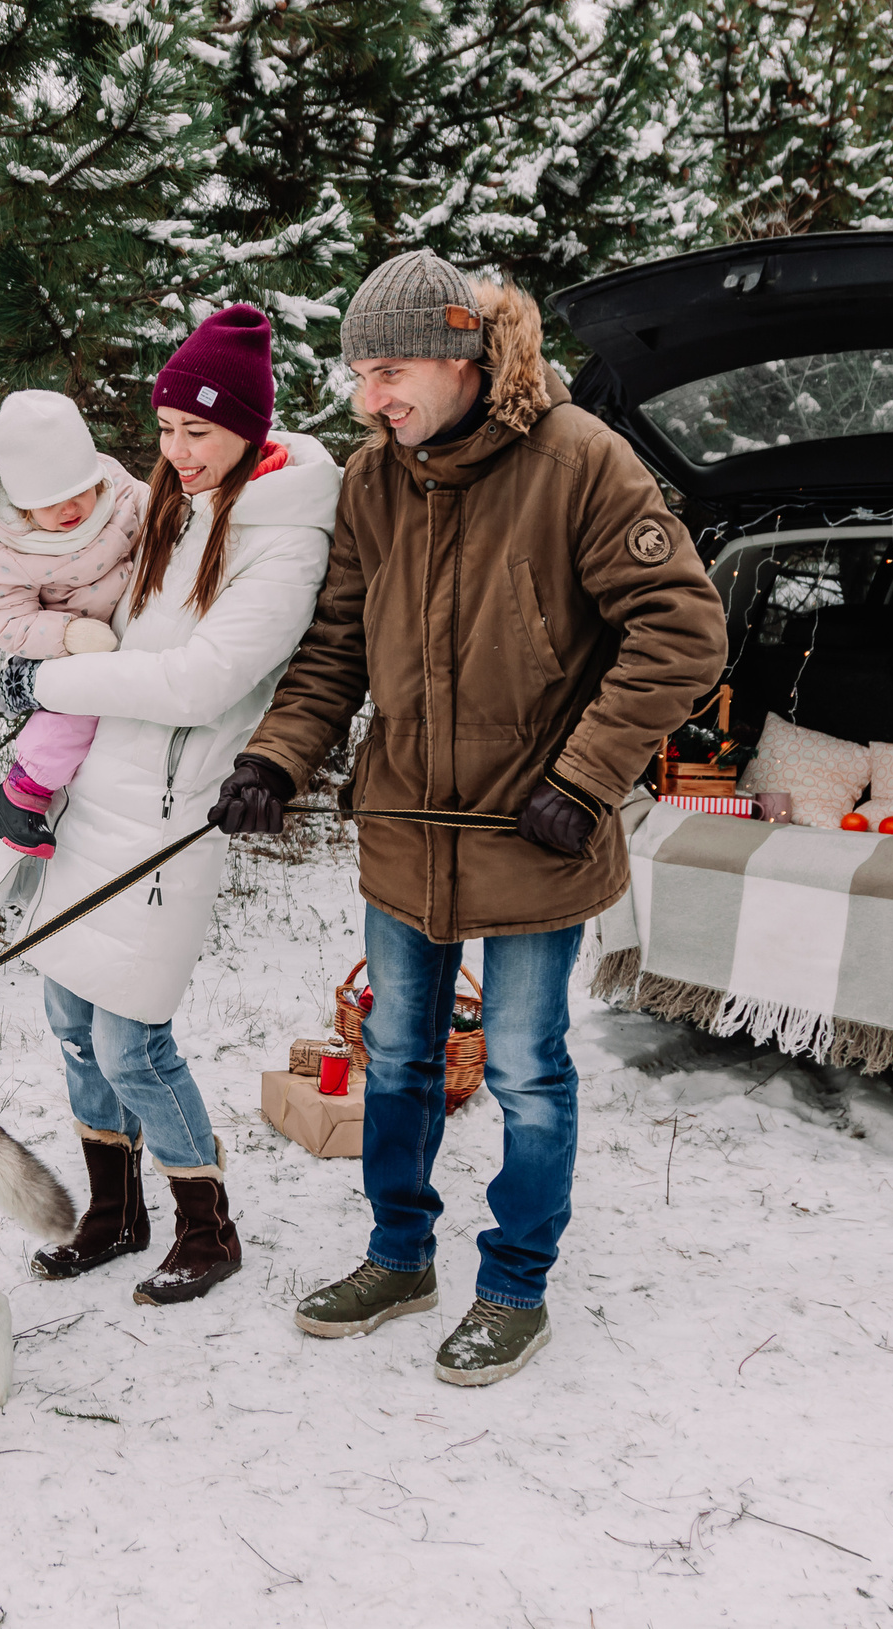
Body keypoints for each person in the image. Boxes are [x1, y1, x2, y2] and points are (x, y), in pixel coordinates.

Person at [213, 250, 726, 1384]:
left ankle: (514, 1285)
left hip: (535, 832)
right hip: (408, 828)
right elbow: (336, 648)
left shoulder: (579, 461)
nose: (369, 399)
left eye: (387, 370)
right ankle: (399, 1257)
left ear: (459, 357)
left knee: (527, 1070)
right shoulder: (374, 479)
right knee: (397, 1057)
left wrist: (585, 777)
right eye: (357, 376)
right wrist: (276, 760)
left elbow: (681, 632)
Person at [0, 304, 338, 1304]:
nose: (177, 452)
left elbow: (197, 685)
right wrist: (43, 660)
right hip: (97, 802)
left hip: (171, 823)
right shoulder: (176, 508)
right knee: (65, 1015)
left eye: (201, 432)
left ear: (251, 430)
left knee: (129, 1042)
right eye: (168, 430)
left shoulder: (283, 540)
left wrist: (45, 687)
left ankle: (206, 1226)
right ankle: (114, 1212)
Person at [0, 389, 151, 859]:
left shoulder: (119, 492)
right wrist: (67, 635)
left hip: (128, 625)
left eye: (79, 493)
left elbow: (162, 515)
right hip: (65, 642)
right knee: (72, 715)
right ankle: (18, 795)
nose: (70, 509)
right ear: (22, 503)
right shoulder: (6, 548)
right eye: (52, 503)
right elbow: (5, 616)